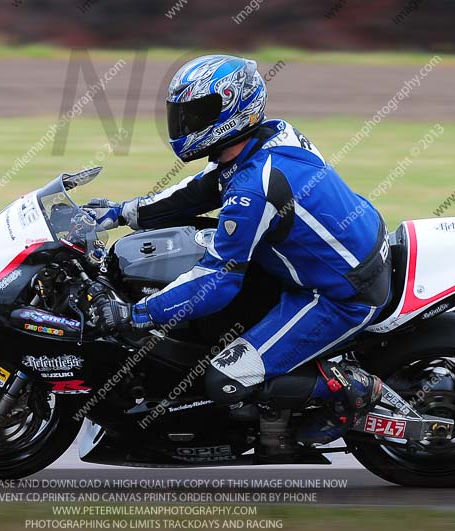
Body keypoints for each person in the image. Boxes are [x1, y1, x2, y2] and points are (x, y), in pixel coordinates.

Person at [84, 55, 392, 457]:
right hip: (343, 250)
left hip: (339, 293)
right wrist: (122, 212)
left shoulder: (254, 187)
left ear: (232, 109)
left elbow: (218, 279)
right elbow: (201, 190)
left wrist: (137, 314)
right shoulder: (271, 135)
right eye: (182, 114)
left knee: (226, 378)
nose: (185, 123)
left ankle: (349, 386)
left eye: (197, 113)